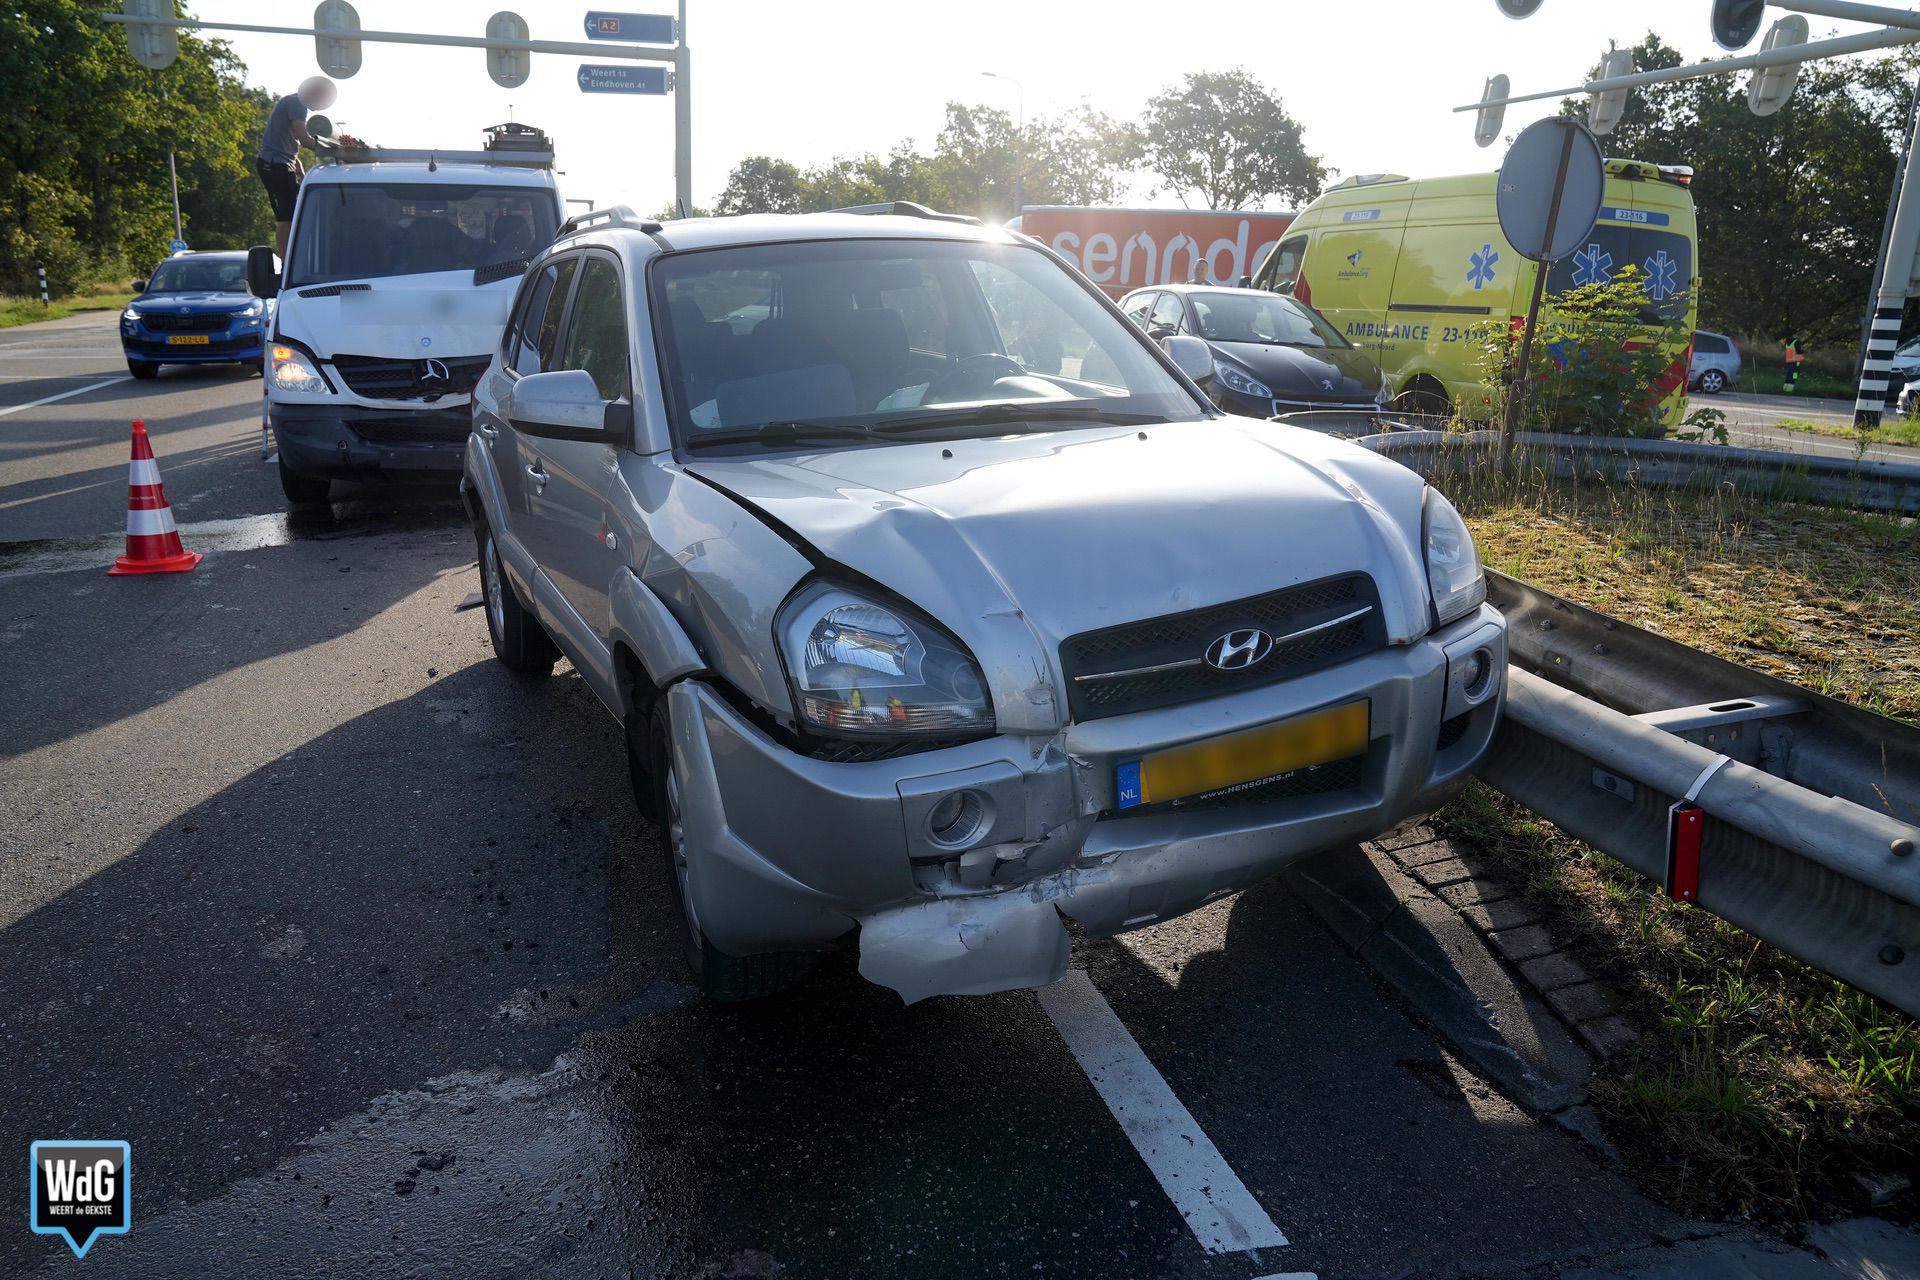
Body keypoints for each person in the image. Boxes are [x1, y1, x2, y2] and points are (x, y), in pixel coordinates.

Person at [256, 77, 338, 256]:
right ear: (314, 94)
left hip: (282, 164)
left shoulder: (293, 102)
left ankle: (294, 255)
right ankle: (287, 262)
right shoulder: (297, 104)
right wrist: (333, 149)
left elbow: (290, 141)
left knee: (295, 213)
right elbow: (304, 139)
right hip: (273, 165)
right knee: (286, 217)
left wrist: (298, 167)